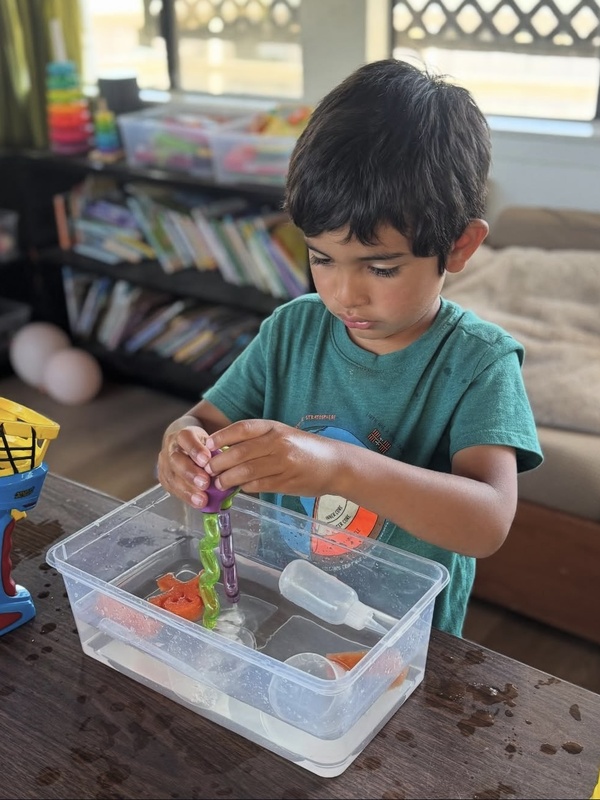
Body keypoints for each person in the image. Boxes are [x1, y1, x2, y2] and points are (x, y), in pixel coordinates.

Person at [157, 58, 543, 637]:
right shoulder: (292, 330)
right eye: (321, 258)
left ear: (459, 247)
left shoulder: (477, 363)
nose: (343, 294)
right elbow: (204, 420)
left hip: (397, 634)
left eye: (381, 268)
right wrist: (180, 446)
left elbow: (486, 523)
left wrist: (339, 467)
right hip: (280, 601)